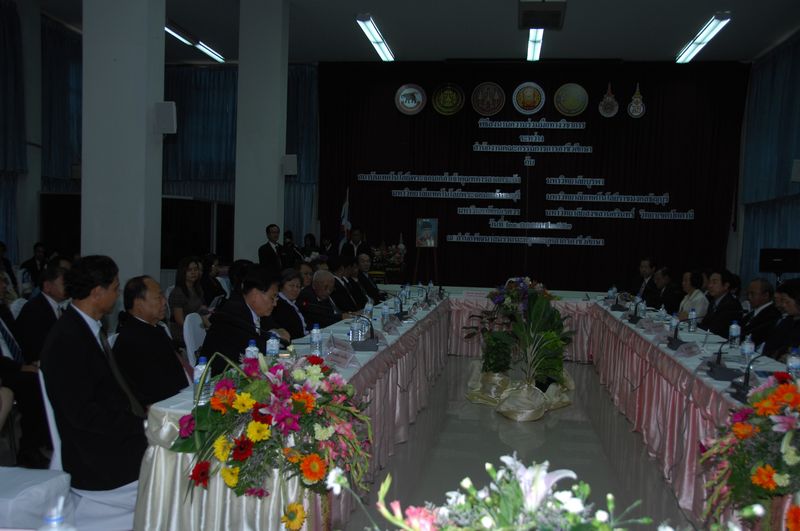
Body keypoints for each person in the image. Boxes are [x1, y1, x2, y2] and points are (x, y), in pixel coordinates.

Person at [40, 255, 147, 496]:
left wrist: (146, 411)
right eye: (115, 288)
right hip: (94, 454)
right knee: (176, 458)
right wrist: (141, 426)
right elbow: (83, 414)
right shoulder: (66, 340)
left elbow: (116, 385)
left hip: (112, 432)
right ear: (97, 292)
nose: (118, 295)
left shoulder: (90, 328)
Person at [113, 276, 190, 406]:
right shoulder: (132, 339)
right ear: (138, 303)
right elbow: (154, 389)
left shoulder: (154, 328)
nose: (164, 302)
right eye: (158, 297)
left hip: (180, 396)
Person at [0, 274, 50, 468]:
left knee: (45, 373)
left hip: (15, 365)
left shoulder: (3, 311)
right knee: (31, 382)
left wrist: (32, 361)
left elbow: (19, 340)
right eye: (1, 282)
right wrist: (21, 366)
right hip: (5, 371)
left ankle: (48, 437)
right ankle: (29, 449)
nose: (5, 286)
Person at [201, 265, 282, 375]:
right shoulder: (234, 312)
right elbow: (260, 350)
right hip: (217, 379)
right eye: (272, 297)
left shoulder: (253, 310)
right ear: (255, 294)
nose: (275, 303)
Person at [15, 264, 67, 364]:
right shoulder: (34, 309)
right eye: (64, 284)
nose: (68, 287)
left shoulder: (58, 306)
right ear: (47, 286)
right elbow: (36, 346)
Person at [168, 256, 206, 344]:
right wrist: (196, 330)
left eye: (196, 269)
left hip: (196, 327)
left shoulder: (198, 288)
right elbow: (179, 320)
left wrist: (208, 326)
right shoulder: (178, 292)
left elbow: (202, 311)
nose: (193, 272)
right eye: (189, 270)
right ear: (182, 272)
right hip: (182, 332)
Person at [699, 269, 743, 338]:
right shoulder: (713, 302)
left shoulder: (732, 304)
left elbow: (716, 329)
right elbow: (705, 323)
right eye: (709, 282)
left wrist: (697, 326)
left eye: (714, 282)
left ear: (726, 285)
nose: (710, 286)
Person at [763, 279, 800, 360]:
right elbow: (770, 347)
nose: (783, 305)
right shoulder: (788, 320)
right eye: (782, 301)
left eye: (787, 302)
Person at [741, 278, 781, 348]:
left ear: (766, 295)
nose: (749, 297)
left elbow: (756, 338)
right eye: (748, 294)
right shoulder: (753, 312)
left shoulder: (772, 314)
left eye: (752, 294)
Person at [272, 269, 308, 339]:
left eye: (298, 286)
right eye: (291, 285)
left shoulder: (295, 303)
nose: (295, 289)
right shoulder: (278, 305)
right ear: (282, 286)